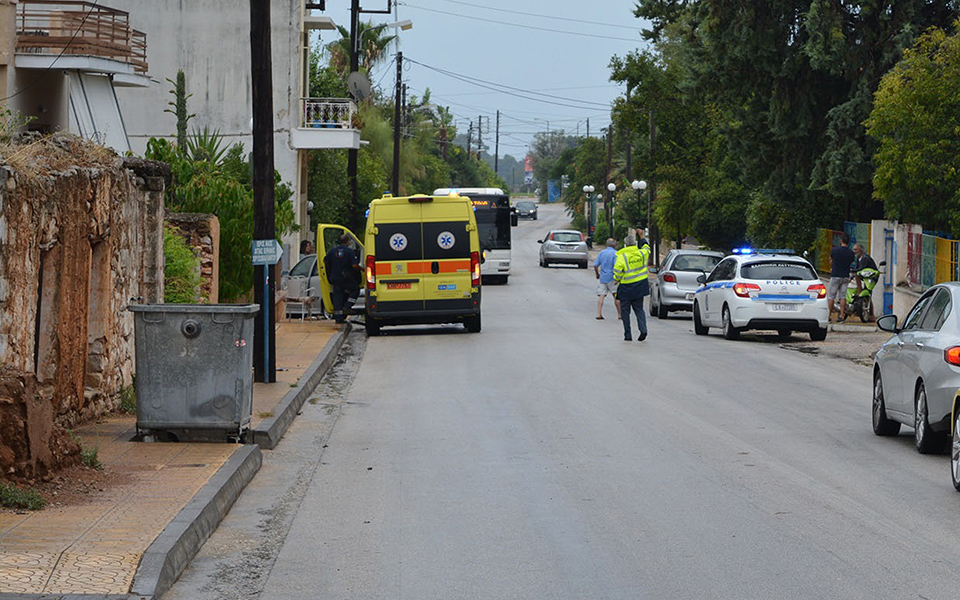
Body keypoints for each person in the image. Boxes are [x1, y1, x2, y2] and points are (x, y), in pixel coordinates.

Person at [613, 235, 651, 341]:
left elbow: (617, 270)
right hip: (640, 286)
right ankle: (643, 330)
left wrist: (617, 279)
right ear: (635, 244)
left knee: (625, 312)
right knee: (639, 309)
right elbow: (647, 247)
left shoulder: (622, 256)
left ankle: (628, 335)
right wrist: (642, 237)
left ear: (625, 245)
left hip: (626, 288)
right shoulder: (641, 253)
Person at [323, 234, 360, 323]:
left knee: (338, 297)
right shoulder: (349, 251)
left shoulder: (332, 251)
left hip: (335, 278)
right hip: (346, 277)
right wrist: (361, 269)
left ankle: (339, 318)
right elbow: (354, 265)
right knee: (355, 290)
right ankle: (347, 307)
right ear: (347, 242)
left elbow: (324, 261)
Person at [840, 242, 879, 322]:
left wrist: (852, 271)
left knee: (868, 293)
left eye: (856, 249)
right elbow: (857, 269)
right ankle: (870, 314)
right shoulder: (858, 258)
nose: (854, 251)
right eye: (853, 249)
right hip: (864, 276)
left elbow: (860, 269)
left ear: (860, 250)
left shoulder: (865, 258)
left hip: (871, 277)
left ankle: (871, 314)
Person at [828, 233, 855, 322]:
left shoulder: (835, 250)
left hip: (835, 275)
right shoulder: (851, 253)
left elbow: (830, 260)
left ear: (841, 241)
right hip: (845, 276)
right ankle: (842, 315)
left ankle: (829, 315)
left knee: (832, 296)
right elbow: (850, 263)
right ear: (848, 242)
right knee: (842, 296)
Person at [593, 238, 620, 320]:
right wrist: (618, 277)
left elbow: (595, 265)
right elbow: (616, 266)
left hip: (603, 277)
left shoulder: (602, 253)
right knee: (616, 296)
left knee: (601, 295)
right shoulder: (616, 253)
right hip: (612, 277)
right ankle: (620, 314)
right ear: (614, 245)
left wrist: (597, 274)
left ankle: (599, 313)